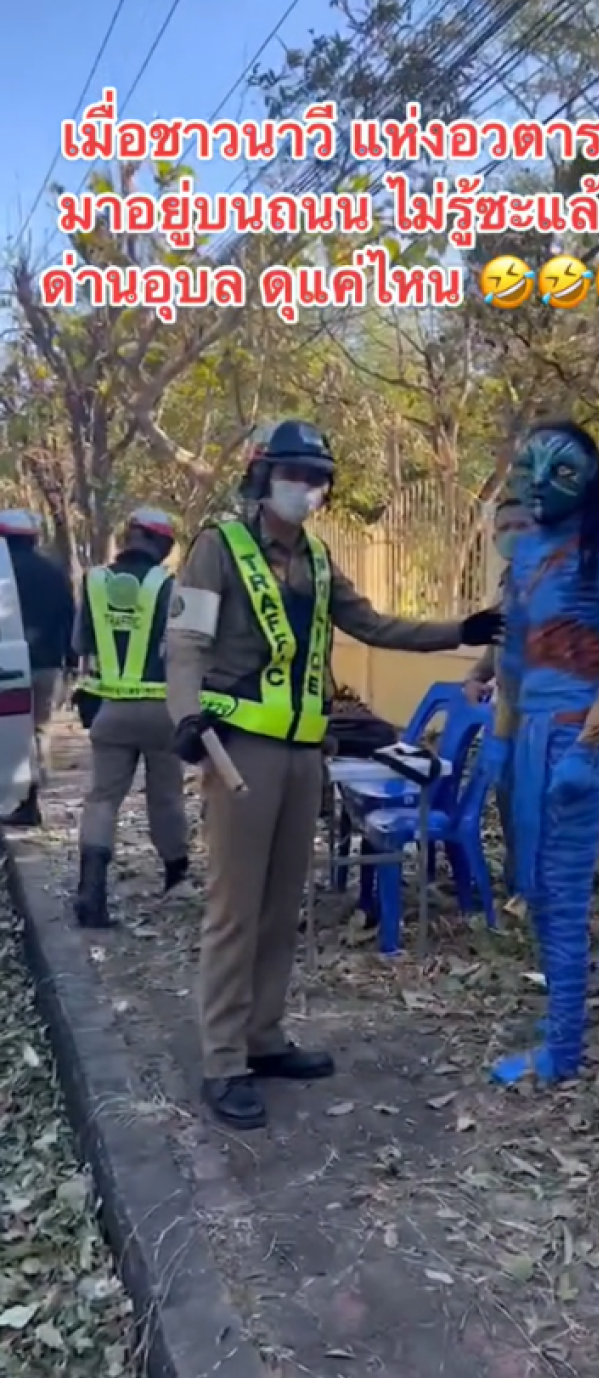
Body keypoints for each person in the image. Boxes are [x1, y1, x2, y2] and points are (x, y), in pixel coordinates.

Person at [165, 420, 503, 1129]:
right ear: (263, 477)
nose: (307, 489)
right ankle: (223, 1060)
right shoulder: (218, 548)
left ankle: (263, 1037)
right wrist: (186, 716)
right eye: (295, 474)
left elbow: (374, 625)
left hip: (303, 753)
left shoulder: (318, 560)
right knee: (235, 910)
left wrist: (461, 631)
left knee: (283, 905)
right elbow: (187, 642)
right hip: (240, 750)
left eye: (318, 478)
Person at [486, 421, 599, 1083]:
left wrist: (589, 747)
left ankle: (565, 1049)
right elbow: (512, 657)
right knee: (538, 890)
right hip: (528, 737)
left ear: (591, 480)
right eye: (530, 468)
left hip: (576, 736)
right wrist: (500, 739)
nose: (543, 483)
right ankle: (559, 1031)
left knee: (567, 893)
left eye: (563, 471)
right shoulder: (525, 551)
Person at [72, 508, 189, 928]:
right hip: (162, 712)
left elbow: (80, 643)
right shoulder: (171, 586)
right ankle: (176, 875)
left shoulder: (94, 582)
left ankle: (91, 891)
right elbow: (185, 649)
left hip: (110, 710)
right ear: (164, 545)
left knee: (103, 799)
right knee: (166, 797)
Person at [462, 496, 534, 892]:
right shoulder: (509, 583)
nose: (512, 535)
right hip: (508, 714)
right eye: (504, 528)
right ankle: (518, 885)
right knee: (508, 796)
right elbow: (497, 645)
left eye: (521, 526)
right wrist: (476, 676)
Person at [0, 508, 75, 827]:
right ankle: (31, 800)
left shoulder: (4, 572)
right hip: (46, 665)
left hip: (6, 663)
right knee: (38, 731)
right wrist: (72, 662)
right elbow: (69, 618)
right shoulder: (52, 572)